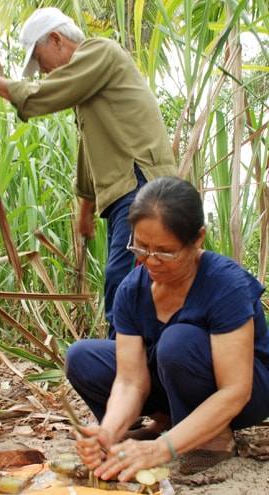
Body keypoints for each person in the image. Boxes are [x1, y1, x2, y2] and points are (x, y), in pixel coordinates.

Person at [0, 8, 178, 339]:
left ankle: (124, 374)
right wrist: (85, 211)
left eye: (42, 62)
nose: (43, 72)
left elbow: (42, 95)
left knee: (126, 283)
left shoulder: (99, 52)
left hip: (142, 187)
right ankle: (134, 371)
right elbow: (89, 152)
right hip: (129, 192)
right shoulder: (89, 90)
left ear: (56, 39)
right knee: (131, 285)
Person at [65, 176, 269, 477]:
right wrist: (108, 430)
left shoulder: (226, 285)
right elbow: (130, 381)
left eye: (165, 251)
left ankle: (214, 439)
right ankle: (167, 424)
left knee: (177, 342)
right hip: (172, 375)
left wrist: (160, 451)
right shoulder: (132, 290)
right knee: (82, 357)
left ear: (197, 239)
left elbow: (235, 390)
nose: (151, 261)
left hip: (247, 393)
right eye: (141, 247)